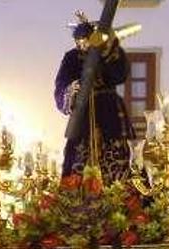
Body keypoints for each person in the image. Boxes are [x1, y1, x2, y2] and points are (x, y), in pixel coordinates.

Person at [55, 10, 137, 185]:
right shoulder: (71, 57)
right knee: (78, 158)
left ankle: (118, 197)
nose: (82, 45)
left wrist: (105, 52)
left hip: (109, 111)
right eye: (79, 42)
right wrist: (72, 89)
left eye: (86, 41)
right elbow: (61, 84)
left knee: (116, 160)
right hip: (83, 112)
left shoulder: (108, 53)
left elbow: (119, 75)